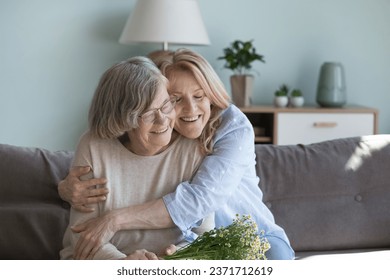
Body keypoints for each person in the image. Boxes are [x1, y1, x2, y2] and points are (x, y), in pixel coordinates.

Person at [59, 48, 295, 260]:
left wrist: (113, 220)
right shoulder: (106, 143)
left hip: (252, 234)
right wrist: (64, 188)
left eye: (199, 96)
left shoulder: (231, 126)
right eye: (175, 99)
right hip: (202, 249)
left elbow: (198, 202)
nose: (191, 110)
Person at [60, 56, 214, 260]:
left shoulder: (194, 149)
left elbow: (204, 235)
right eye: (149, 114)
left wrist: (173, 260)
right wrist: (124, 263)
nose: (163, 120)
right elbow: (82, 238)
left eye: (166, 105)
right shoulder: (94, 146)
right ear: (123, 118)